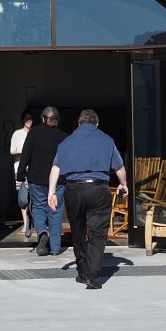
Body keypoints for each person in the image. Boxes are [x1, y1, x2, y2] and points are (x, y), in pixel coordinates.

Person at [48, 109, 128, 290]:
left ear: (79, 124)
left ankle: (82, 272)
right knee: (97, 233)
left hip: (73, 190)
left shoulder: (66, 142)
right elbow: (119, 167)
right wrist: (123, 184)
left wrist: (51, 193)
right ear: (97, 124)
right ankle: (92, 275)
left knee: (77, 232)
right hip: (98, 190)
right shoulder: (107, 140)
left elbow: (55, 168)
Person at [16, 106, 66, 256]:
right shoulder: (62, 135)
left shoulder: (34, 133)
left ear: (43, 118)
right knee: (55, 211)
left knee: (38, 208)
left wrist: (20, 175)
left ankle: (42, 232)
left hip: (36, 179)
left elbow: (26, 154)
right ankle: (55, 248)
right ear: (57, 120)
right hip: (58, 181)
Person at [10, 109, 34, 238]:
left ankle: (35, 224)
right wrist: (24, 152)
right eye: (26, 119)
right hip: (19, 169)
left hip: (33, 169)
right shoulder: (17, 134)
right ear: (22, 120)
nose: (29, 121)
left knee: (34, 195)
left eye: (31, 119)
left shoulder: (34, 133)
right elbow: (12, 150)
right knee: (22, 197)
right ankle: (25, 224)